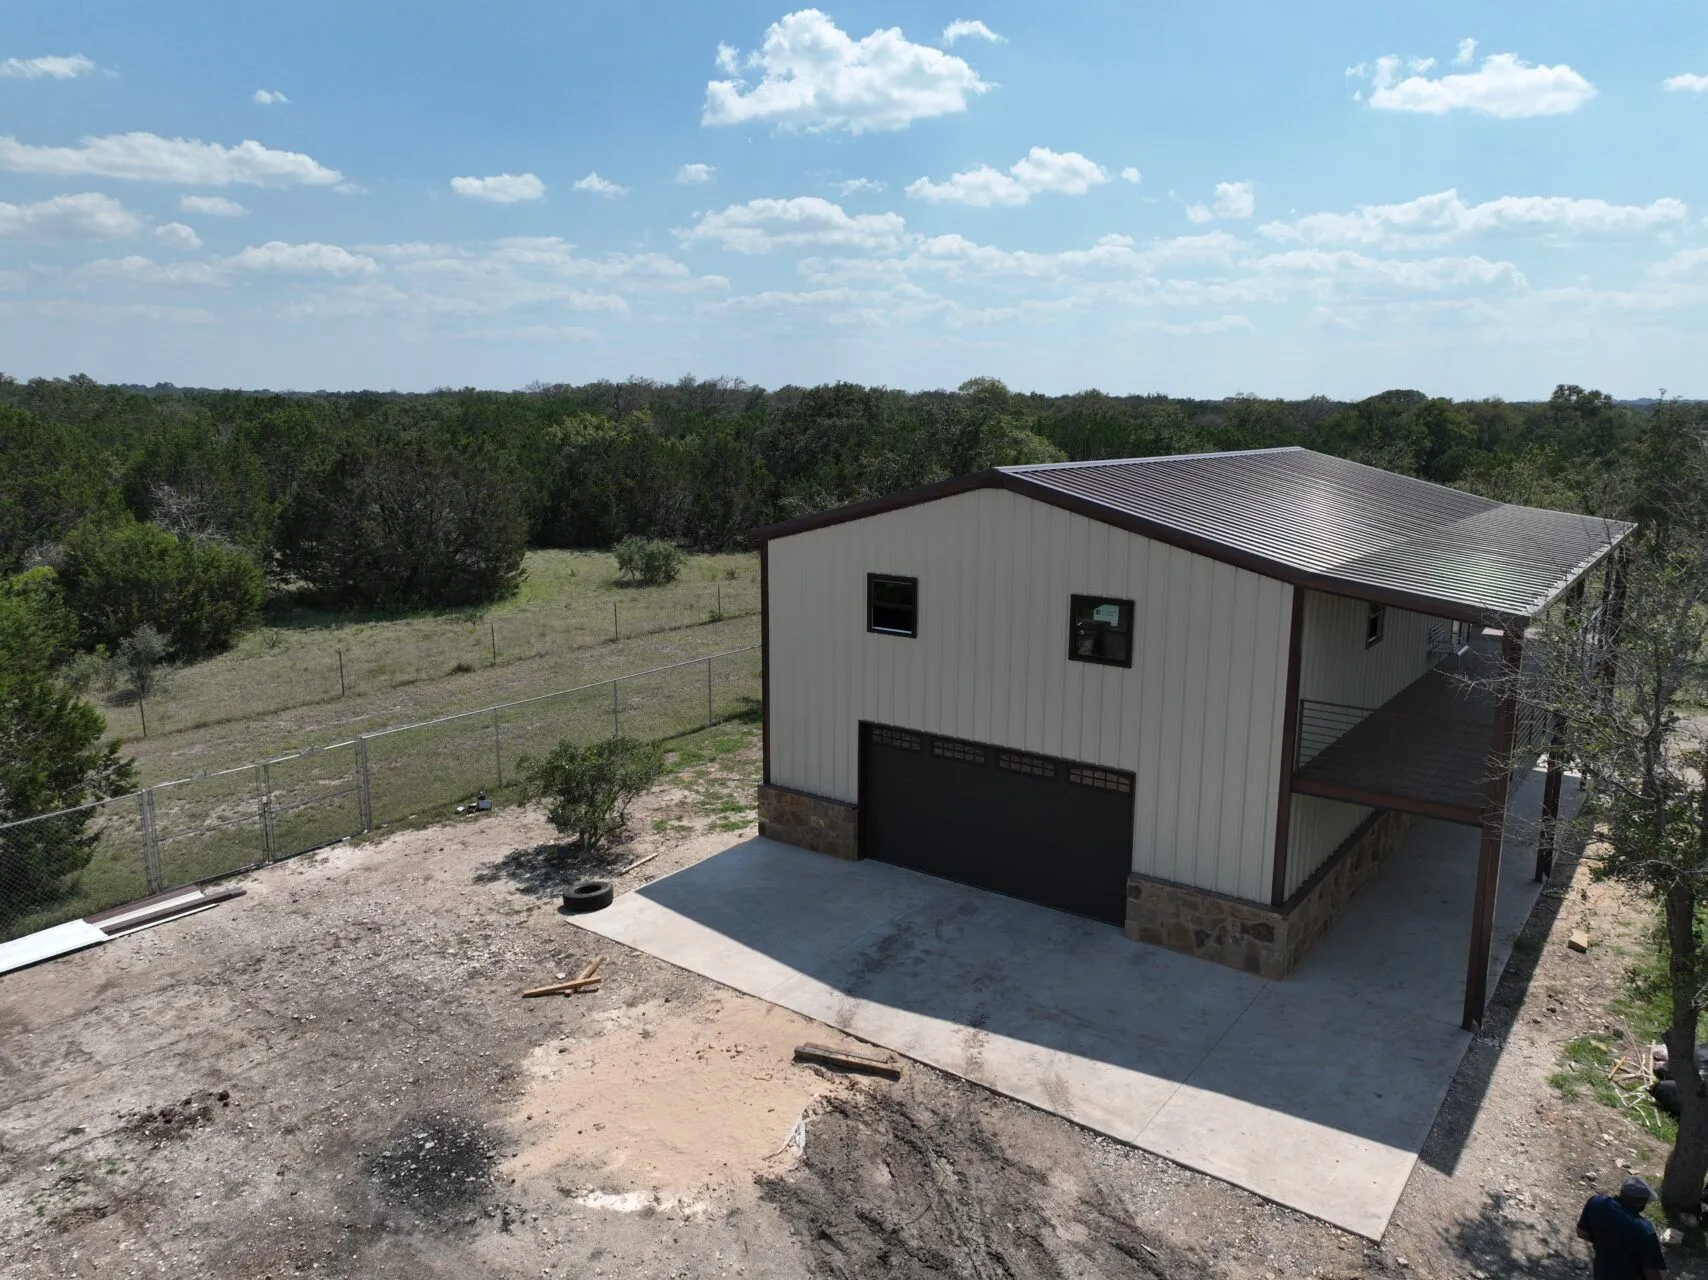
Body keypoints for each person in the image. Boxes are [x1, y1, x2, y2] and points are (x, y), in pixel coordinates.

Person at [1576, 1176, 1667, 1280]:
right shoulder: (1644, 1230)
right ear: (1640, 1202)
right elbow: (1652, 1273)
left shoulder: (1597, 1203)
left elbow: (1581, 1232)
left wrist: (1606, 1243)